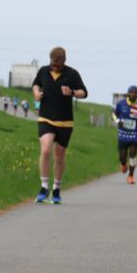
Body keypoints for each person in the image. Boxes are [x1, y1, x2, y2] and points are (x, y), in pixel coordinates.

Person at [32, 47, 88, 203]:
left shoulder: (72, 74)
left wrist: (72, 92)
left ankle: (56, 189)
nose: (55, 67)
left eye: (58, 65)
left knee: (59, 155)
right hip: (46, 118)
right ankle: (44, 186)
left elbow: (84, 92)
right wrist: (36, 93)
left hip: (65, 121)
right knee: (45, 149)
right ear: (50, 60)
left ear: (64, 61)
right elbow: (36, 84)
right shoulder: (43, 71)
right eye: (53, 64)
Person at [113, 85, 137, 185]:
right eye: (132, 92)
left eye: (136, 92)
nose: (134, 94)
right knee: (122, 156)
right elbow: (114, 114)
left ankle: (131, 176)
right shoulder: (121, 103)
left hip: (134, 134)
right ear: (128, 93)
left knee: (133, 154)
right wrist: (118, 121)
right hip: (123, 134)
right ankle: (123, 164)